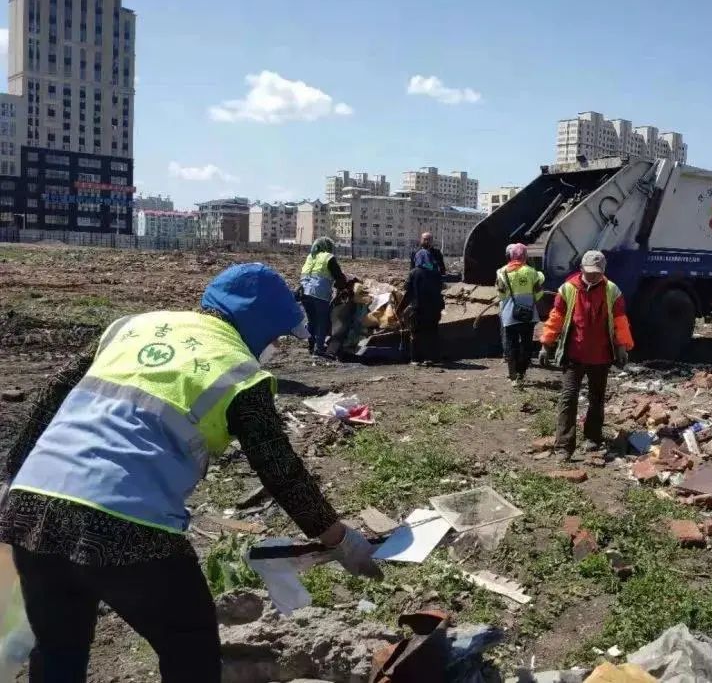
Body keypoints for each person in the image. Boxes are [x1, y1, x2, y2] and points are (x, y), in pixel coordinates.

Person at [0, 263, 380, 683]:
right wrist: (339, 538)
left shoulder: (134, 327)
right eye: (275, 335)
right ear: (260, 323)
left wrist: (12, 480)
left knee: (58, 646)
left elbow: (54, 388)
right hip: (125, 520)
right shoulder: (238, 370)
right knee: (189, 641)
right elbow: (278, 467)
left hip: (32, 505)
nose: (273, 345)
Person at [539, 250, 634, 461]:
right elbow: (556, 318)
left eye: (597, 273)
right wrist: (546, 344)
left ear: (603, 271)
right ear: (581, 269)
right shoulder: (568, 289)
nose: (593, 276)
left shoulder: (612, 291)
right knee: (568, 398)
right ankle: (564, 446)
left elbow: (620, 321)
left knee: (597, 399)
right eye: (589, 272)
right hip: (574, 355)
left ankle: (593, 437)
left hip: (601, 357)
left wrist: (622, 347)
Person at [495, 243, 544, 387]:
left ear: (511, 255)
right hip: (528, 314)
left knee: (511, 344)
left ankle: (513, 376)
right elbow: (539, 293)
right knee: (527, 344)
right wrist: (529, 300)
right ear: (524, 256)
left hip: (510, 314)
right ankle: (522, 373)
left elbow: (501, 293)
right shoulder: (532, 272)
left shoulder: (502, 272)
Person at [299, 237, 348, 356]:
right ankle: (319, 349)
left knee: (312, 321)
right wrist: (343, 286)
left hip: (304, 292)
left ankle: (311, 347)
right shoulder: (328, 257)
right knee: (322, 322)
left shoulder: (310, 257)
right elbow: (338, 276)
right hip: (319, 293)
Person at [401, 248, 445, 365]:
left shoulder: (414, 273)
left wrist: (400, 310)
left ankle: (416, 359)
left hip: (418, 309)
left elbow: (407, 291)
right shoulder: (436, 273)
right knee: (432, 334)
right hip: (434, 310)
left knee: (415, 334)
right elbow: (441, 289)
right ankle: (432, 359)